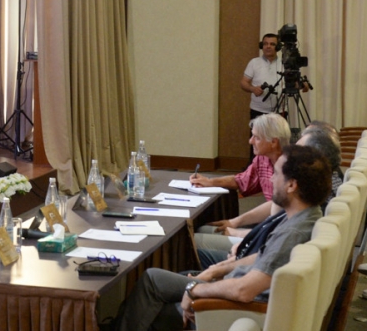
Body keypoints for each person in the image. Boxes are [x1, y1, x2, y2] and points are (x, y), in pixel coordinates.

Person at [112, 145, 332, 331]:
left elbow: (244, 290)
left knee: (149, 303)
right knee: (152, 281)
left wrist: (194, 290)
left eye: (276, 174)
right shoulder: (304, 216)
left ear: (292, 185)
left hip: (230, 308)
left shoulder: (293, 233)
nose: (271, 179)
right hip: (232, 290)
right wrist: (218, 269)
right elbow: (264, 258)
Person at [195, 123, 342, 267]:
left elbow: (276, 236)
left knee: (193, 243)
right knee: (201, 234)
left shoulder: (310, 193)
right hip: (260, 242)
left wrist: (237, 239)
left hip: (258, 252)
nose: (250, 141)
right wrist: (235, 222)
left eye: (299, 149)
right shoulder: (306, 182)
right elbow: (245, 184)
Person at [190, 113, 291, 201]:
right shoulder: (262, 159)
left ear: (273, 142)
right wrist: (210, 182)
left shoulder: (292, 166)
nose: (250, 141)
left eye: (257, 137)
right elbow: (242, 181)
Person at [241, 34, 283, 119]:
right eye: (265, 44)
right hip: (257, 111)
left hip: (280, 111)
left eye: (272, 44)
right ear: (261, 46)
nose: (268, 46)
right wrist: (253, 89)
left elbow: (294, 83)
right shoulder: (254, 62)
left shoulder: (284, 63)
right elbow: (243, 82)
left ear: (278, 47)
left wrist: (302, 84)